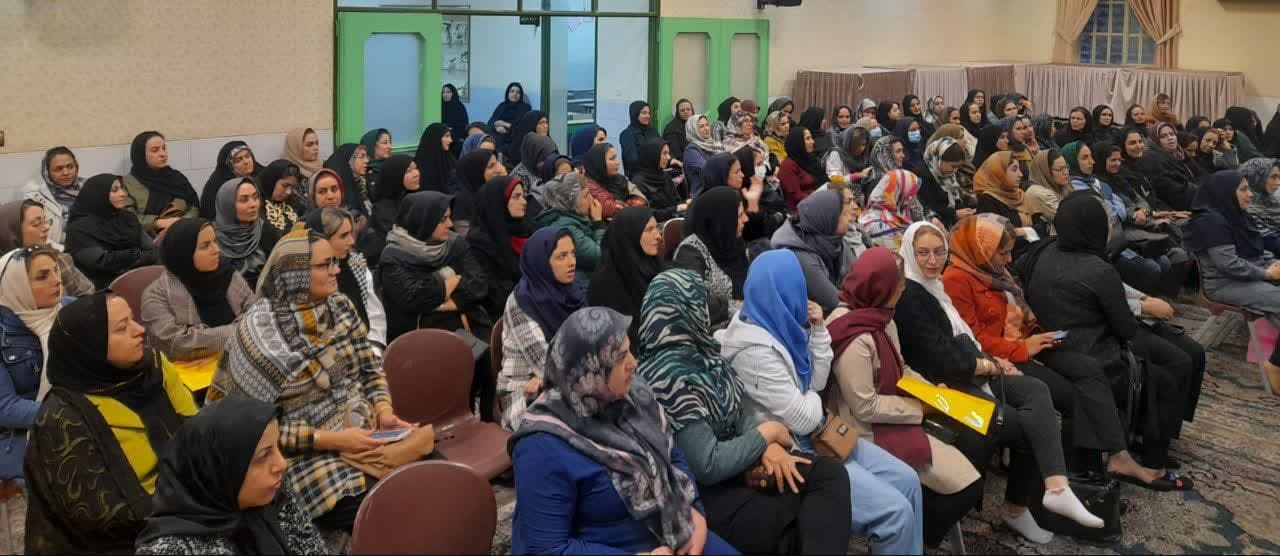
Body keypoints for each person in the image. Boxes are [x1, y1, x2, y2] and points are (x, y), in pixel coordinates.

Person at [892, 223, 1109, 542]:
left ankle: (1056, 486)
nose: (932, 260)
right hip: (942, 386)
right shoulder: (911, 295)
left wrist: (992, 359)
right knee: (1026, 426)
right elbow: (939, 358)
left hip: (971, 369)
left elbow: (964, 337)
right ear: (909, 253)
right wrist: (987, 364)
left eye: (939, 252)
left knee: (1036, 389)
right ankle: (1016, 508)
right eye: (922, 253)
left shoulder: (935, 286)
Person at [721, 249, 943, 551]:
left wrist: (817, 331)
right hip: (795, 448)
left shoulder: (780, 320)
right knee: (896, 513)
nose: (803, 298)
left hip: (820, 431)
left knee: (907, 480)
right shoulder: (755, 353)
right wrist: (811, 396)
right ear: (781, 293)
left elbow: (816, 381)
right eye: (797, 290)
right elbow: (804, 416)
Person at [942, 215, 1175, 488]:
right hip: (1000, 358)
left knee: (1089, 367)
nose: (1008, 259)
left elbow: (1019, 315)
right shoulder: (957, 279)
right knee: (1073, 396)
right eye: (1002, 253)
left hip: (1025, 343)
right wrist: (1023, 347)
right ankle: (1079, 473)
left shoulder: (994, 273)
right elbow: (972, 340)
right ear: (980, 249)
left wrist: (1038, 336)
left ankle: (1115, 455)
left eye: (1009, 252)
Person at [209, 228, 417, 531]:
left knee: (424, 475)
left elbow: (370, 370)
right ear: (294, 274)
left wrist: (384, 411)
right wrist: (333, 440)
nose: (336, 270)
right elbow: (252, 433)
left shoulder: (340, 306)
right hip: (301, 458)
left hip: (363, 432)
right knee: (388, 505)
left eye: (335, 262)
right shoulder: (258, 335)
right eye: (324, 265)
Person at [636, 269, 853, 555]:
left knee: (828, 474)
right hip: (707, 490)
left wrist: (767, 448)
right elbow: (708, 464)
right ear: (687, 309)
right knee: (786, 518)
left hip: (743, 462)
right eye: (701, 302)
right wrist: (765, 435)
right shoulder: (667, 376)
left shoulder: (705, 352)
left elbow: (739, 410)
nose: (706, 310)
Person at [509, 306, 736, 555]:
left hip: (673, 527)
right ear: (590, 372)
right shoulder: (542, 446)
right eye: (620, 357)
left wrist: (694, 510)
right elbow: (545, 548)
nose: (634, 364)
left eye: (630, 351)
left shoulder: (631, 396)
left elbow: (672, 454)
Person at [1027, 192, 1202, 475]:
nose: (1110, 226)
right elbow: (1125, 328)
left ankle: (1148, 443)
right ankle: (1152, 454)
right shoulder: (1097, 268)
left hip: (1061, 342)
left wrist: (1140, 305)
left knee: (1183, 357)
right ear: (1092, 226)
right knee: (1169, 370)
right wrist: (1144, 309)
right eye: (1105, 220)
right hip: (1094, 349)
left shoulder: (1045, 250)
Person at [24, 292, 198, 554]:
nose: (139, 330)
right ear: (91, 347)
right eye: (122, 327)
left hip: (186, 500)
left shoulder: (153, 367)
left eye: (133, 319)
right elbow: (103, 516)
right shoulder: (62, 417)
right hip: (123, 538)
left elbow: (196, 430)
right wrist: (193, 507)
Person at [135, 395, 328, 555]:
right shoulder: (172, 550)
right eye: (264, 455)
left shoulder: (274, 495)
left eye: (277, 447)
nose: (282, 464)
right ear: (218, 472)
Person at [1186, 170, 1280, 395]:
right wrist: (1267, 274)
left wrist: (1273, 264)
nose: (1250, 194)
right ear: (1225, 192)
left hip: (1245, 276)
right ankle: (1275, 364)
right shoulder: (1211, 221)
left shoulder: (1233, 213)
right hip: (1224, 284)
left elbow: (1255, 250)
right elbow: (1229, 264)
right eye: (1243, 189)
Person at [142, 218, 255, 393]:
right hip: (195, 387)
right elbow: (176, 343)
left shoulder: (227, 274)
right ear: (184, 253)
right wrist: (241, 332)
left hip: (243, 365)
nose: (216, 250)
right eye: (205, 246)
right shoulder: (156, 295)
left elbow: (257, 314)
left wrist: (211, 345)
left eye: (215, 241)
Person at [497, 226, 586, 431]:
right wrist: (548, 376)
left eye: (573, 253)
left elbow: (592, 343)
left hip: (563, 381)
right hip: (524, 392)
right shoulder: (522, 302)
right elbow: (549, 366)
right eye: (561, 256)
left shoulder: (574, 293)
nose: (572, 262)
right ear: (542, 262)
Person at [378, 191, 489, 343]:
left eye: (449, 217)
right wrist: (454, 278)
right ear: (423, 221)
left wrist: (441, 305)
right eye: (442, 219)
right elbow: (416, 299)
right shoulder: (393, 257)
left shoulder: (455, 243)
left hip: (467, 330)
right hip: (419, 340)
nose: (450, 224)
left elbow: (479, 284)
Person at [303, 207, 387, 351]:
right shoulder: (305, 276)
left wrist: (374, 348)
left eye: (351, 233)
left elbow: (374, 315)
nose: (352, 241)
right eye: (343, 236)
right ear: (322, 238)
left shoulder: (356, 264)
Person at [64, 174, 159, 289]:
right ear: (99, 194)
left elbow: (151, 248)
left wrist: (139, 257)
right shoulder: (78, 229)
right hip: (101, 287)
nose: (122, 193)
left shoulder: (127, 217)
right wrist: (138, 256)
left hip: (136, 275)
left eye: (121, 188)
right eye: (115, 190)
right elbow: (102, 262)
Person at [673, 187, 749, 330]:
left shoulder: (729, 239)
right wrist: (744, 309)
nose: (746, 219)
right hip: (715, 333)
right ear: (721, 220)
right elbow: (695, 303)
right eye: (739, 215)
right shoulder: (690, 254)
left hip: (744, 324)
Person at [588, 207, 664, 345]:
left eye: (657, 228)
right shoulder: (605, 284)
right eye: (649, 230)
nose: (658, 235)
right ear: (630, 235)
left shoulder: (653, 264)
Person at [771, 190, 853, 313]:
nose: (850, 218)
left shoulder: (834, 241)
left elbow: (860, 277)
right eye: (845, 214)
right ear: (828, 219)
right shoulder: (801, 256)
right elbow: (835, 302)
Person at [465, 176, 531, 318]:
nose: (524, 202)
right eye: (516, 197)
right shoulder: (479, 244)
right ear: (498, 202)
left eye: (523, 196)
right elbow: (495, 295)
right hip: (504, 314)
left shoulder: (521, 229)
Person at [0, 200, 94, 297]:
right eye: (36, 224)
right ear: (12, 232)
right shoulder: (4, 272)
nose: (46, 227)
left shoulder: (57, 258)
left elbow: (88, 294)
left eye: (45, 221)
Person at [530, 172, 605, 285]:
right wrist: (598, 223)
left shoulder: (574, 215)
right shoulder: (566, 227)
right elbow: (601, 256)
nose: (591, 199)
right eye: (585, 195)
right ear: (570, 202)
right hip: (583, 285)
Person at [122, 131, 199, 235]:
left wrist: (181, 222)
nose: (163, 154)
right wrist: (158, 223)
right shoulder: (127, 184)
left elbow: (193, 205)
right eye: (155, 150)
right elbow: (127, 218)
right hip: (148, 238)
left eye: (164, 148)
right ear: (141, 154)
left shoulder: (176, 177)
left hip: (183, 232)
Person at [213, 177, 282, 287]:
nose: (253, 204)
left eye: (255, 197)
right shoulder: (210, 238)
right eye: (244, 200)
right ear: (227, 205)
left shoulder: (266, 231)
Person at [973, 152, 1044, 256]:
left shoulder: (1020, 195)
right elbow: (1001, 242)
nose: (1020, 174)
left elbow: (1041, 228)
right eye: (1014, 170)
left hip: (1032, 251)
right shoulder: (987, 200)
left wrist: (1023, 232)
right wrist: (1030, 232)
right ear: (999, 172)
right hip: (1011, 258)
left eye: (1019, 169)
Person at [23, 146, 86, 245]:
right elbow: (35, 237)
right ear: (47, 172)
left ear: (76, 167)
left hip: (90, 244)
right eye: (58, 169)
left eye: (70, 167)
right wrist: (63, 250)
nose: (66, 173)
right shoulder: (36, 198)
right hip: (56, 250)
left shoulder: (88, 188)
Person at [858, 169, 924, 252]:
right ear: (898, 192)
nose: (913, 198)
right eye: (910, 194)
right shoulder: (877, 224)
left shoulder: (898, 213)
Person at [369, 154, 422, 258]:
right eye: (408, 171)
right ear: (395, 176)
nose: (416, 174)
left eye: (416, 168)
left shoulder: (414, 197)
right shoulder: (383, 211)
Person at [1138, 122, 1198, 211]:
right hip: (1175, 206)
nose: (1170, 138)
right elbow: (1170, 189)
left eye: (1172, 134)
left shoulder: (1179, 154)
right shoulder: (1152, 159)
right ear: (1155, 140)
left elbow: (1199, 174)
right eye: (1163, 136)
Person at [919, 137, 975, 228]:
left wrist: (965, 211)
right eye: (953, 166)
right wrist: (954, 213)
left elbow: (956, 199)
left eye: (958, 167)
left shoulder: (948, 174)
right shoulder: (923, 176)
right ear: (939, 159)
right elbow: (929, 207)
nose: (955, 170)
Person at [582, 143, 648, 220]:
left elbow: (642, 202)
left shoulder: (620, 179)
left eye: (616, 158)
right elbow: (612, 210)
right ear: (599, 163)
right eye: (612, 159)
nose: (617, 162)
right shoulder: (589, 186)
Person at [452, 147, 506, 238]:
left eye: (497, 163)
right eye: (491, 166)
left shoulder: (490, 191)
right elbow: (467, 238)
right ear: (476, 172)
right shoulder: (461, 202)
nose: (499, 169)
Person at [629, 140, 688, 223]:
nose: (669, 157)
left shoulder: (664, 176)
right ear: (652, 155)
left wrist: (686, 204)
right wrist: (675, 209)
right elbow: (645, 214)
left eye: (668, 153)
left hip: (675, 221)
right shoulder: (638, 183)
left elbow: (677, 201)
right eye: (664, 153)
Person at [778, 127, 825, 212]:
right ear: (798, 143)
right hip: (802, 210)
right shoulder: (788, 165)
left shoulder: (810, 159)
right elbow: (797, 196)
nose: (813, 141)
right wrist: (822, 199)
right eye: (808, 139)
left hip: (816, 201)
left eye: (811, 138)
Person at [1240, 157, 1280, 255]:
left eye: (1279, 177)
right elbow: (1270, 243)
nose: (1278, 182)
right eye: (1273, 177)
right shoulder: (1245, 206)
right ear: (1256, 177)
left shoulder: (1270, 200)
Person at [255, 160, 306, 235]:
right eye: (284, 186)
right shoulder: (255, 204)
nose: (288, 192)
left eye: (293, 187)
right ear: (271, 181)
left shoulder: (293, 200)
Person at [324, 143, 372, 218]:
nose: (367, 160)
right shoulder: (338, 189)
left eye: (366, 156)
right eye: (362, 156)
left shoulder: (362, 184)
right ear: (349, 161)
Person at [1024, 149, 1071, 223]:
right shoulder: (1038, 193)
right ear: (1047, 172)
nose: (1066, 172)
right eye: (1060, 169)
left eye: (1066, 167)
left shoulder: (1060, 186)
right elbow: (1069, 219)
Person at [488, 82, 532, 160]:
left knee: (501, 150)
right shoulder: (502, 106)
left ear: (521, 95)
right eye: (512, 91)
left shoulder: (525, 108)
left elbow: (521, 128)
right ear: (508, 93)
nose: (515, 94)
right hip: (498, 137)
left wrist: (504, 124)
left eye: (518, 92)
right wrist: (497, 128)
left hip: (515, 141)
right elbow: (490, 123)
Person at [683, 114, 723, 197]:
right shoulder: (691, 150)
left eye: (707, 125)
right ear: (693, 130)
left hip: (717, 186)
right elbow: (707, 170)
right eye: (701, 126)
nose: (706, 128)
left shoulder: (713, 144)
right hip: (702, 192)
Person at [512, 134, 558, 202]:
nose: (549, 163)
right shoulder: (519, 176)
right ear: (534, 156)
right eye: (544, 159)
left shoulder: (544, 170)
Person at [413, 123, 456, 194]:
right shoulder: (419, 164)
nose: (451, 140)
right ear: (435, 138)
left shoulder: (450, 159)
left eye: (450, 136)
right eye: (446, 136)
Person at [621, 101, 659, 176]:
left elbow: (662, 148)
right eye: (644, 113)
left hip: (655, 173)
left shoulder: (652, 130)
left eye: (648, 113)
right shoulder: (627, 135)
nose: (648, 116)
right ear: (635, 114)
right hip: (638, 177)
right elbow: (632, 160)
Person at [360, 128, 394, 196]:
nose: (390, 147)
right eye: (385, 143)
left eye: (390, 142)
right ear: (372, 145)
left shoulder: (393, 165)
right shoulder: (362, 170)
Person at [442, 83, 470, 158]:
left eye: (448, 92)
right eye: (443, 92)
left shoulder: (459, 106)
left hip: (456, 138)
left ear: (453, 93)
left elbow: (464, 125)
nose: (445, 94)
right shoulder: (440, 106)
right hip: (442, 136)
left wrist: (450, 128)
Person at [664, 98, 695, 162]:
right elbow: (676, 154)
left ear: (692, 111)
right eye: (682, 110)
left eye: (688, 109)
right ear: (678, 113)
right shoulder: (672, 129)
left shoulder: (694, 124)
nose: (686, 112)